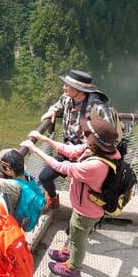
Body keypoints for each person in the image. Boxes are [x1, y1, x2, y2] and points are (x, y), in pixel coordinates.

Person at [20, 115, 120, 277]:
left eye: (87, 133)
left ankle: (73, 268)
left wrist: (34, 149)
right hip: (84, 205)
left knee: (78, 240)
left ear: (96, 140)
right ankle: (68, 251)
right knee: (75, 233)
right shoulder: (97, 149)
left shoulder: (95, 165)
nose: (83, 133)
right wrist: (43, 138)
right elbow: (70, 150)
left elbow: (61, 166)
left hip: (87, 210)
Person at [37, 70, 111, 210]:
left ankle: (84, 218)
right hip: (67, 149)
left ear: (79, 90)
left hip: (87, 155)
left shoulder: (97, 107)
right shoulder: (67, 98)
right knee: (45, 177)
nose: (64, 87)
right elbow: (58, 105)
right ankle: (53, 199)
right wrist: (52, 111)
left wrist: (90, 147)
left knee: (84, 191)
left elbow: (107, 132)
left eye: (67, 85)